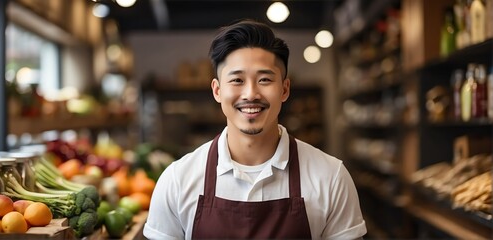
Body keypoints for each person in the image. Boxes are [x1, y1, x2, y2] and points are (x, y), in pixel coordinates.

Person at [143, 19, 367, 239]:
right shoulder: (177, 179)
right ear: (217, 91)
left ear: (285, 89)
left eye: (264, 79)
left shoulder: (331, 177)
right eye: (237, 80)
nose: (251, 94)